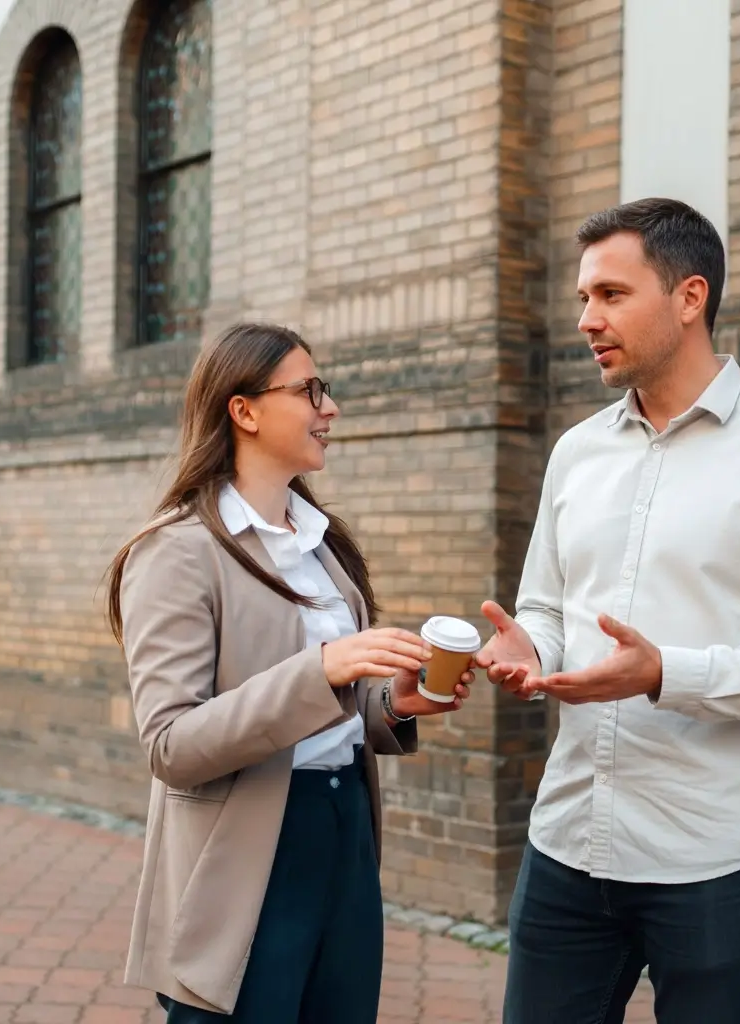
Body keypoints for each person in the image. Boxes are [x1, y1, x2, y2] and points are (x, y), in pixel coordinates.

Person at [476, 198, 740, 1024]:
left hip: (716, 858)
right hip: (568, 842)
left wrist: (667, 674)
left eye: (612, 295)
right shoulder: (576, 452)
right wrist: (533, 648)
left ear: (689, 297)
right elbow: (547, 606)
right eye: (584, 298)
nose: (587, 319)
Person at [106, 323, 470, 1023]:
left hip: (345, 831)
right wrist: (323, 671)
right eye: (309, 391)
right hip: (244, 854)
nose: (328, 408)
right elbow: (172, 747)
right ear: (243, 410)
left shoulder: (321, 545)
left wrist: (392, 705)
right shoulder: (177, 553)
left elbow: (334, 713)